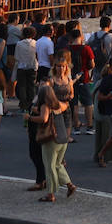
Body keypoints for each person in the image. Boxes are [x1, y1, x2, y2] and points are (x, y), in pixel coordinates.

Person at [33, 67, 76, 203]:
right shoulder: (58, 104)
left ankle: (50, 194)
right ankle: (69, 184)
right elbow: (65, 105)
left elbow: (44, 119)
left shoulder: (45, 105)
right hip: (63, 137)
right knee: (58, 164)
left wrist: (30, 117)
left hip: (51, 138)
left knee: (50, 165)